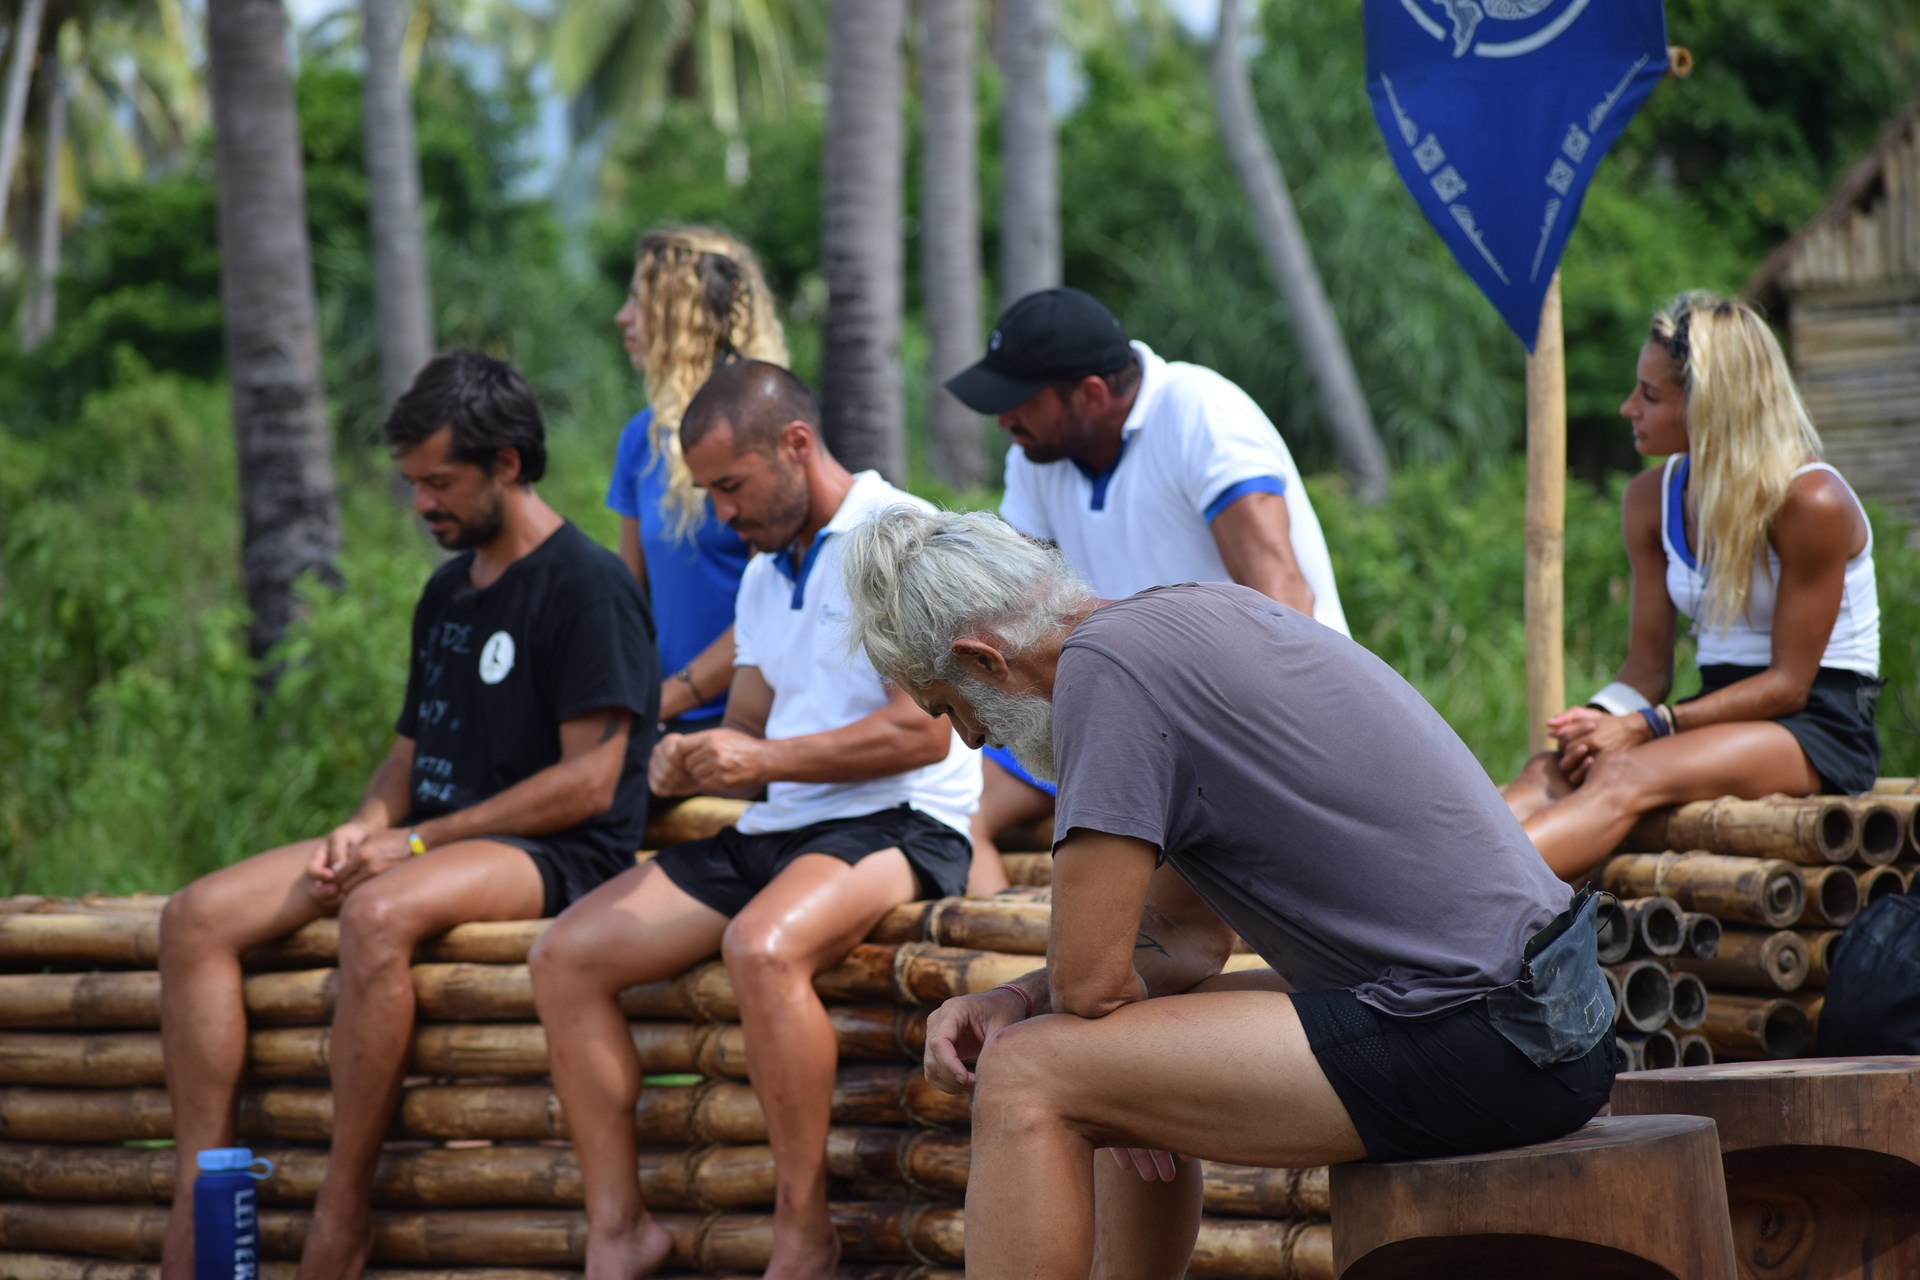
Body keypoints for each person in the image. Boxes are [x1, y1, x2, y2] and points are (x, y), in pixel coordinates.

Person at [836, 506, 1614, 1279]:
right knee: (1095, 1036)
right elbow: (1182, 939)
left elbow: (1090, 987)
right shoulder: (1184, 617)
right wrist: (1017, 1000)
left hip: (1489, 1037)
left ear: (982, 660)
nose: (973, 739)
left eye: (950, 708)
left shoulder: (1105, 674)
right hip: (1549, 1015)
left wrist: (1087, 1048)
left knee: (1027, 1072)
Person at [156, 351, 660, 1280]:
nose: (422, 503)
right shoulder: (447, 591)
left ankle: (342, 1209)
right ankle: (204, 1191)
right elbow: (409, 750)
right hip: (427, 840)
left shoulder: (588, 586)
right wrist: (363, 825)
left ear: (507, 464)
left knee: (377, 912)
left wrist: (417, 841)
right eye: (412, 483)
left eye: (440, 482)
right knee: (193, 919)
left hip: (555, 854)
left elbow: (591, 783)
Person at [529, 361, 982, 1280]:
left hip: (903, 820)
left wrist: (761, 762)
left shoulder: (896, 536)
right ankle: (620, 1231)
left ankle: (803, 1236)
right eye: (710, 492)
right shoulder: (768, 568)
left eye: (730, 487)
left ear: (796, 445)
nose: (721, 513)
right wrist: (688, 755)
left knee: (761, 949)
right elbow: (746, 722)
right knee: (563, 956)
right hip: (785, 823)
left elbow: (922, 733)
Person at [942, 287, 1349, 888]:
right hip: (1128, 713)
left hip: (1248, 709)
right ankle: (1011, 938)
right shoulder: (1035, 454)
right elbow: (1012, 603)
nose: (1004, 421)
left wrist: (1271, 754)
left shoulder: (1199, 410)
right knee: (953, 809)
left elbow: (1283, 594)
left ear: (1091, 394)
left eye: (1020, 402)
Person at [1502, 292, 1882, 881]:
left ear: (1712, 406)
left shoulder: (1811, 500)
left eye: (1650, 396)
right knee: (1549, 771)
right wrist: (1598, 720)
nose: (1628, 408)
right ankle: (1416, 894)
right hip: (1710, 715)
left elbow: (1787, 686)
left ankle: (1462, 907)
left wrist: (1646, 726)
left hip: (1813, 724)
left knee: (1622, 773)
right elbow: (1645, 671)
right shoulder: (1650, 500)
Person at [608, 227, 787, 733]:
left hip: (750, 721)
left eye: (639, 303)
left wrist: (661, 703)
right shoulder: (642, 438)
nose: (623, 317)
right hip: (663, 717)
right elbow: (629, 599)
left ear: (682, 319)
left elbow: (773, 607)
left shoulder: (760, 436)